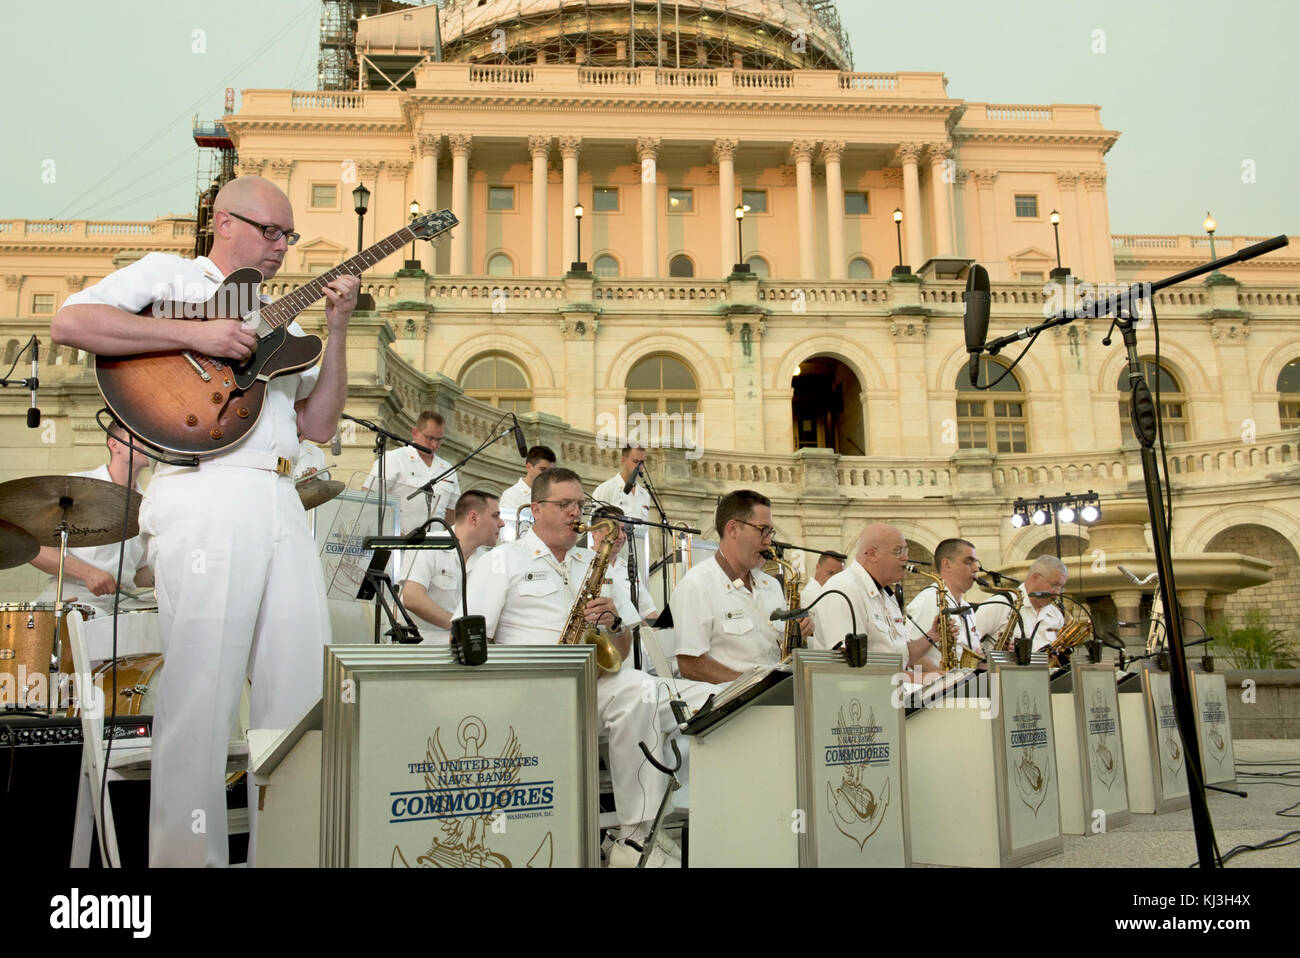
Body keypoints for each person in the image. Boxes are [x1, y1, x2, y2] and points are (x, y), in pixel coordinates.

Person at [51, 175, 359, 867]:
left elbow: (321, 423)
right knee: (203, 697)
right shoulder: (172, 276)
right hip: (205, 490)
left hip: (281, 497)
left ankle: (287, 857)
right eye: (268, 231)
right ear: (223, 221)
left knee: (300, 698)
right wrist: (199, 332)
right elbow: (70, 321)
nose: (280, 247)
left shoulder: (290, 320)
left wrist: (337, 328)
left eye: (289, 236)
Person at [464, 467, 683, 867]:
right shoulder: (502, 561)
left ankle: (636, 835)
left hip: (589, 685)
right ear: (536, 509)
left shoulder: (596, 562)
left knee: (644, 690)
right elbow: (474, 639)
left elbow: (619, 647)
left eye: (579, 504)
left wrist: (614, 622)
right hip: (528, 691)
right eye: (564, 504)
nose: (574, 512)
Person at [666, 491, 812, 683]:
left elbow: (782, 651)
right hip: (730, 704)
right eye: (763, 530)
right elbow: (690, 665)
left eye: (770, 532)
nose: (768, 541)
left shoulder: (771, 585)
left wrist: (798, 634)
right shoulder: (697, 585)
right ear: (733, 529)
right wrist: (753, 685)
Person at [30, 418, 153, 613]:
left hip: (121, 610)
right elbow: (34, 548)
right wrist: (87, 572)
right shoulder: (76, 487)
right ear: (114, 444)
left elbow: (137, 573)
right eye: (139, 437)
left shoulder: (148, 504)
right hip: (72, 603)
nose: (149, 443)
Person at [809, 523, 939, 680]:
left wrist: (931, 637)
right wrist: (927, 679)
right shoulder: (844, 589)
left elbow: (900, 655)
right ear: (871, 554)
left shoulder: (886, 594)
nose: (905, 558)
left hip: (890, 695)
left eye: (906, 551)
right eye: (898, 551)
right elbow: (854, 667)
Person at [400, 490, 503, 643]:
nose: (502, 523)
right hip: (420, 648)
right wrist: (460, 626)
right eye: (495, 516)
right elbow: (412, 597)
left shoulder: (488, 560)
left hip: (466, 651)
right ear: (474, 518)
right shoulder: (429, 545)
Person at [365, 410, 460, 534]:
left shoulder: (448, 469)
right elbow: (368, 497)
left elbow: (452, 513)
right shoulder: (394, 458)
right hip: (397, 542)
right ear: (415, 432)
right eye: (429, 438)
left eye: (439, 440)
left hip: (434, 545)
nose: (434, 444)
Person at [906, 538, 984, 670]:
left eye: (976, 563)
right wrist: (945, 679)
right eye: (968, 562)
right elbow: (910, 657)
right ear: (947, 564)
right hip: (941, 688)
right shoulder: (930, 598)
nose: (976, 569)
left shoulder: (965, 606)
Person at [974, 555, 1068, 652]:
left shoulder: (1056, 615)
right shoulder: (1002, 603)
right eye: (1054, 585)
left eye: (1061, 587)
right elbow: (968, 639)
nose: (1057, 592)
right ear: (1035, 578)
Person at [591, 444, 650, 587]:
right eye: (635, 462)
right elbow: (594, 525)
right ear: (623, 460)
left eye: (642, 463)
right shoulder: (606, 489)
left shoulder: (645, 494)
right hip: (613, 552)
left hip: (639, 552)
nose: (639, 467)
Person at [497, 444, 554, 542]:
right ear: (528, 467)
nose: (547, 475)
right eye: (542, 470)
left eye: (550, 471)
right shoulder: (511, 495)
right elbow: (509, 534)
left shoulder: (553, 495)